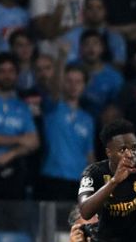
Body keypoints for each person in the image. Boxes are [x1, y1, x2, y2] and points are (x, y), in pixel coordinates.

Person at [37, 64, 95, 201]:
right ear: (62, 83)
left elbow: (89, 153)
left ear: (84, 85)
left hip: (79, 180)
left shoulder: (87, 119)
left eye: (78, 82)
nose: (73, 86)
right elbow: (54, 90)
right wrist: (61, 58)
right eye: (69, 81)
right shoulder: (52, 107)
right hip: (52, 176)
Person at [0, 53, 39, 200]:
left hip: (14, 167)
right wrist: (19, 139)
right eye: (2, 71)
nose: (7, 76)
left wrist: (11, 154)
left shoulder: (21, 106)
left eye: (11, 71)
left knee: (14, 212)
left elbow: (34, 142)